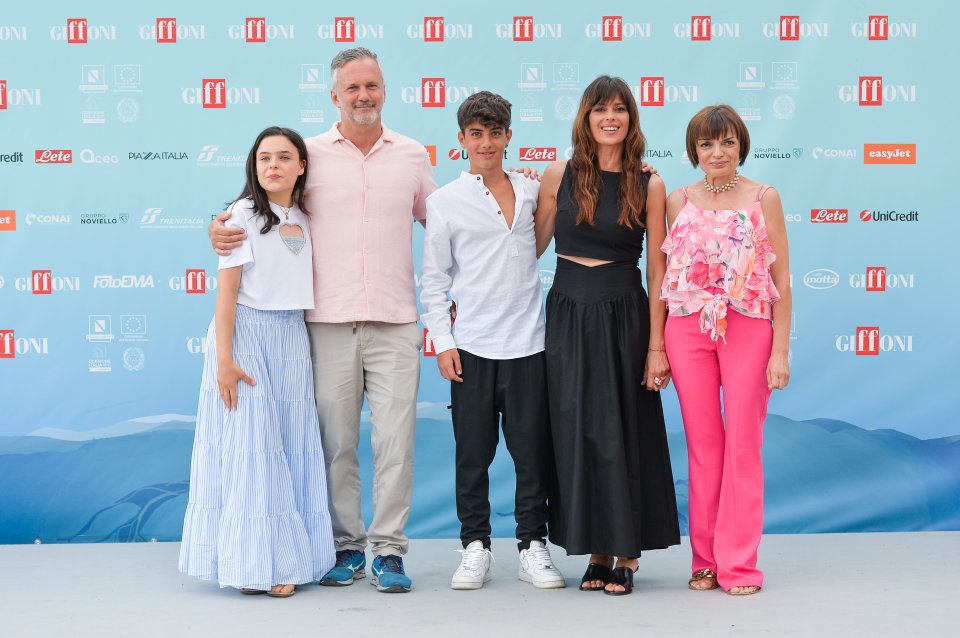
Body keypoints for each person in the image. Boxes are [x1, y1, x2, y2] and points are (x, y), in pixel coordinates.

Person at [209, 48, 436, 593]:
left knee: (395, 442)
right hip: (325, 322)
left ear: (385, 90)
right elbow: (258, 207)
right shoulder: (306, 155)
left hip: (396, 320)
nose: (364, 96)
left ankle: (389, 551)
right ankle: (346, 547)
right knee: (333, 443)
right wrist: (216, 227)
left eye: (373, 86)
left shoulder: (412, 157)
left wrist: (516, 182)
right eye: (352, 88)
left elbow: (446, 223)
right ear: (334, 95)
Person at [534, 76, 680, 596]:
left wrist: (657, 344)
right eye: (601, 109)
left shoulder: (650, 183)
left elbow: (659, 272)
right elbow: (528, 247)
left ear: (631, 119)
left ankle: (628, 552)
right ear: (586, 117)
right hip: (568, 311)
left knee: (624, 430)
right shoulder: (558, 174)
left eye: (620, 109)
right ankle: (595, 548)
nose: (610, 117)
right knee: (577, 428)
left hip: (625, 313)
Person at [179, 126, 335, 598]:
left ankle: (276, 558)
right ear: (254, 165)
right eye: (264, 157)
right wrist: (224, 360)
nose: (273, 166)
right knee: (253, 450)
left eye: (284, 157)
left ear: (302, 165)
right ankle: (255, 564)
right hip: (245, 336)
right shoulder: (241, 215)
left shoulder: (307, 216)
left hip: (290, 337)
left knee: (287, 447)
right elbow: (226, 294)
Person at [420, 91, 565, 591]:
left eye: (495, 132)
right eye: (475, 133)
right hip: (473, 348)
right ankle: (475, 545)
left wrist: (646, 169)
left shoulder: (530, 190)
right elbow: (434, 280)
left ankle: (532, 545)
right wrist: (443, 341)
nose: (486, 142)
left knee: (532, 455)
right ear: (461, 140)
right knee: (472, 455)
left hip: (530, 346)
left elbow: (581, 175)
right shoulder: (443, 202)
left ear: (508, 136)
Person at [660, 104, 791, 596]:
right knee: (703, 445)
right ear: (694, 149)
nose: (717, 152)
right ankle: (706, 560)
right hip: (687, 327)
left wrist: (780, 351)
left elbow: (782, 282)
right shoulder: (677, 200)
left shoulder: (764, 197)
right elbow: (664, 275)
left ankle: (740, 564)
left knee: (741, 443)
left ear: (742, 146)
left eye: (727, 142)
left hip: (748, 326)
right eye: (707, 143)